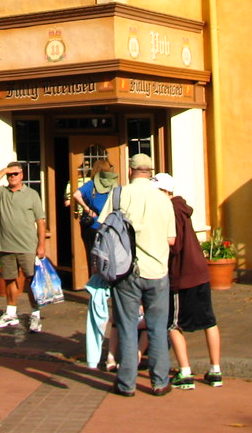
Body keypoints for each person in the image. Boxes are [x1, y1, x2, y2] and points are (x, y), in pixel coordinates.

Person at [98, 153, 176, 397]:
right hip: (157, 271)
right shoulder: (163, 199)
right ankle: (160, 381)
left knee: (128, 326)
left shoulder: (119, 194)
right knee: (157, 327)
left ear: (130, 170)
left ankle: (126, 383)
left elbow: (103, 228)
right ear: (150, 171)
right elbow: (171, 239)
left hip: (126, 271)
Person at [152, 172, 222, 390]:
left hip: (182, 274)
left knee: (173, 323)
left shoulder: (169, 210)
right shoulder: (182, 207)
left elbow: (175, 244)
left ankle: (185, 372)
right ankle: (215, 370)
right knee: (208, 321)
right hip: (199, 270)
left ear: (163, 191)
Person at [0, 162, 47, 333]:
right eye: (10, 175)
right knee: (9, 279)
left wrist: (41, 244)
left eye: (15, 174)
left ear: (22, 175)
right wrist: (4, 169)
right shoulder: (3, 193)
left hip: (27, 246)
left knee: (31, 280)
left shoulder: (32, 195)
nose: (12, 177)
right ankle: (11, 312)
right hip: (6, 245)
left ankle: (35, 314)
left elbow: (40, 221)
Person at [72, 159, 119, 269]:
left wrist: (87, 209)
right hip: (110, 225)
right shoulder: (113, 185)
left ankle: (94, 281)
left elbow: (76, 195)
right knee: (109, 256)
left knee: (93, 257)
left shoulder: (91, 184)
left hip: (93, 225)